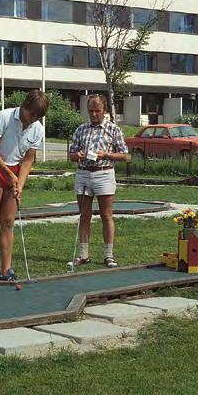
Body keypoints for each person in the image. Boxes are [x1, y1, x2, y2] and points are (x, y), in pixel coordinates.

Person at [0, 90, 49, 281]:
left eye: (37, 117)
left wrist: (20, 184)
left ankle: (6, 269)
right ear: (24, 107)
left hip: (15, 171)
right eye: (31, 114)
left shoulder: (37, 129)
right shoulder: (3, 117)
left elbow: (28, 159)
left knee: (9, 222)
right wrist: (9, 174)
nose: (32, 119)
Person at [68, 94, 129, 268]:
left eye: (97, 111)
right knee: (84, 215)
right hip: (84, 173)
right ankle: (83, 254)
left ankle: (108, 255)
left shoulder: (113, 129)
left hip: (104, 173)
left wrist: (107, 154)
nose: (94, 114)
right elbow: (71, 154)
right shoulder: (81, 129)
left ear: (104, 111)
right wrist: (76, 156)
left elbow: (126, 155)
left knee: (106, 215)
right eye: (91, 111)